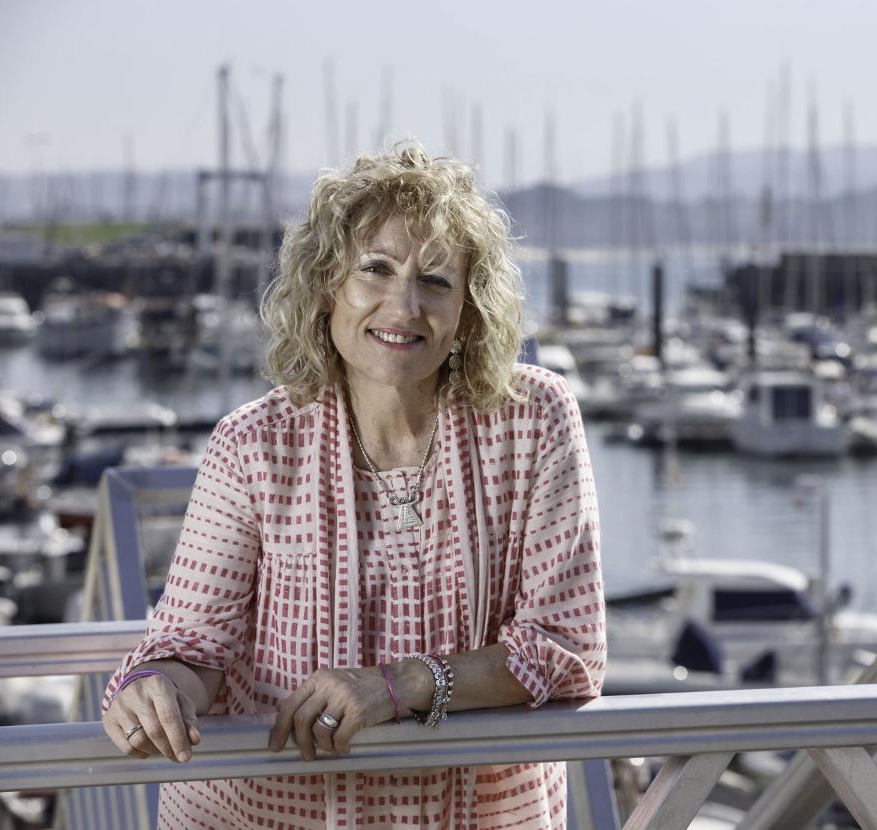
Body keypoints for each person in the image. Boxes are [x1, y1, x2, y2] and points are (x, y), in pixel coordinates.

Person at [100, 141, 606, 829]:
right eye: (376, 269)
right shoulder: (254, 444)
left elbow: (566, 651)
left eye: (435, 280)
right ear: (326, 287)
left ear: (468, 310)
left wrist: (399, 685)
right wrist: (154, 689)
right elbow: (195, 649)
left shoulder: (532, 419)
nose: (402, 306)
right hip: (268, 811)